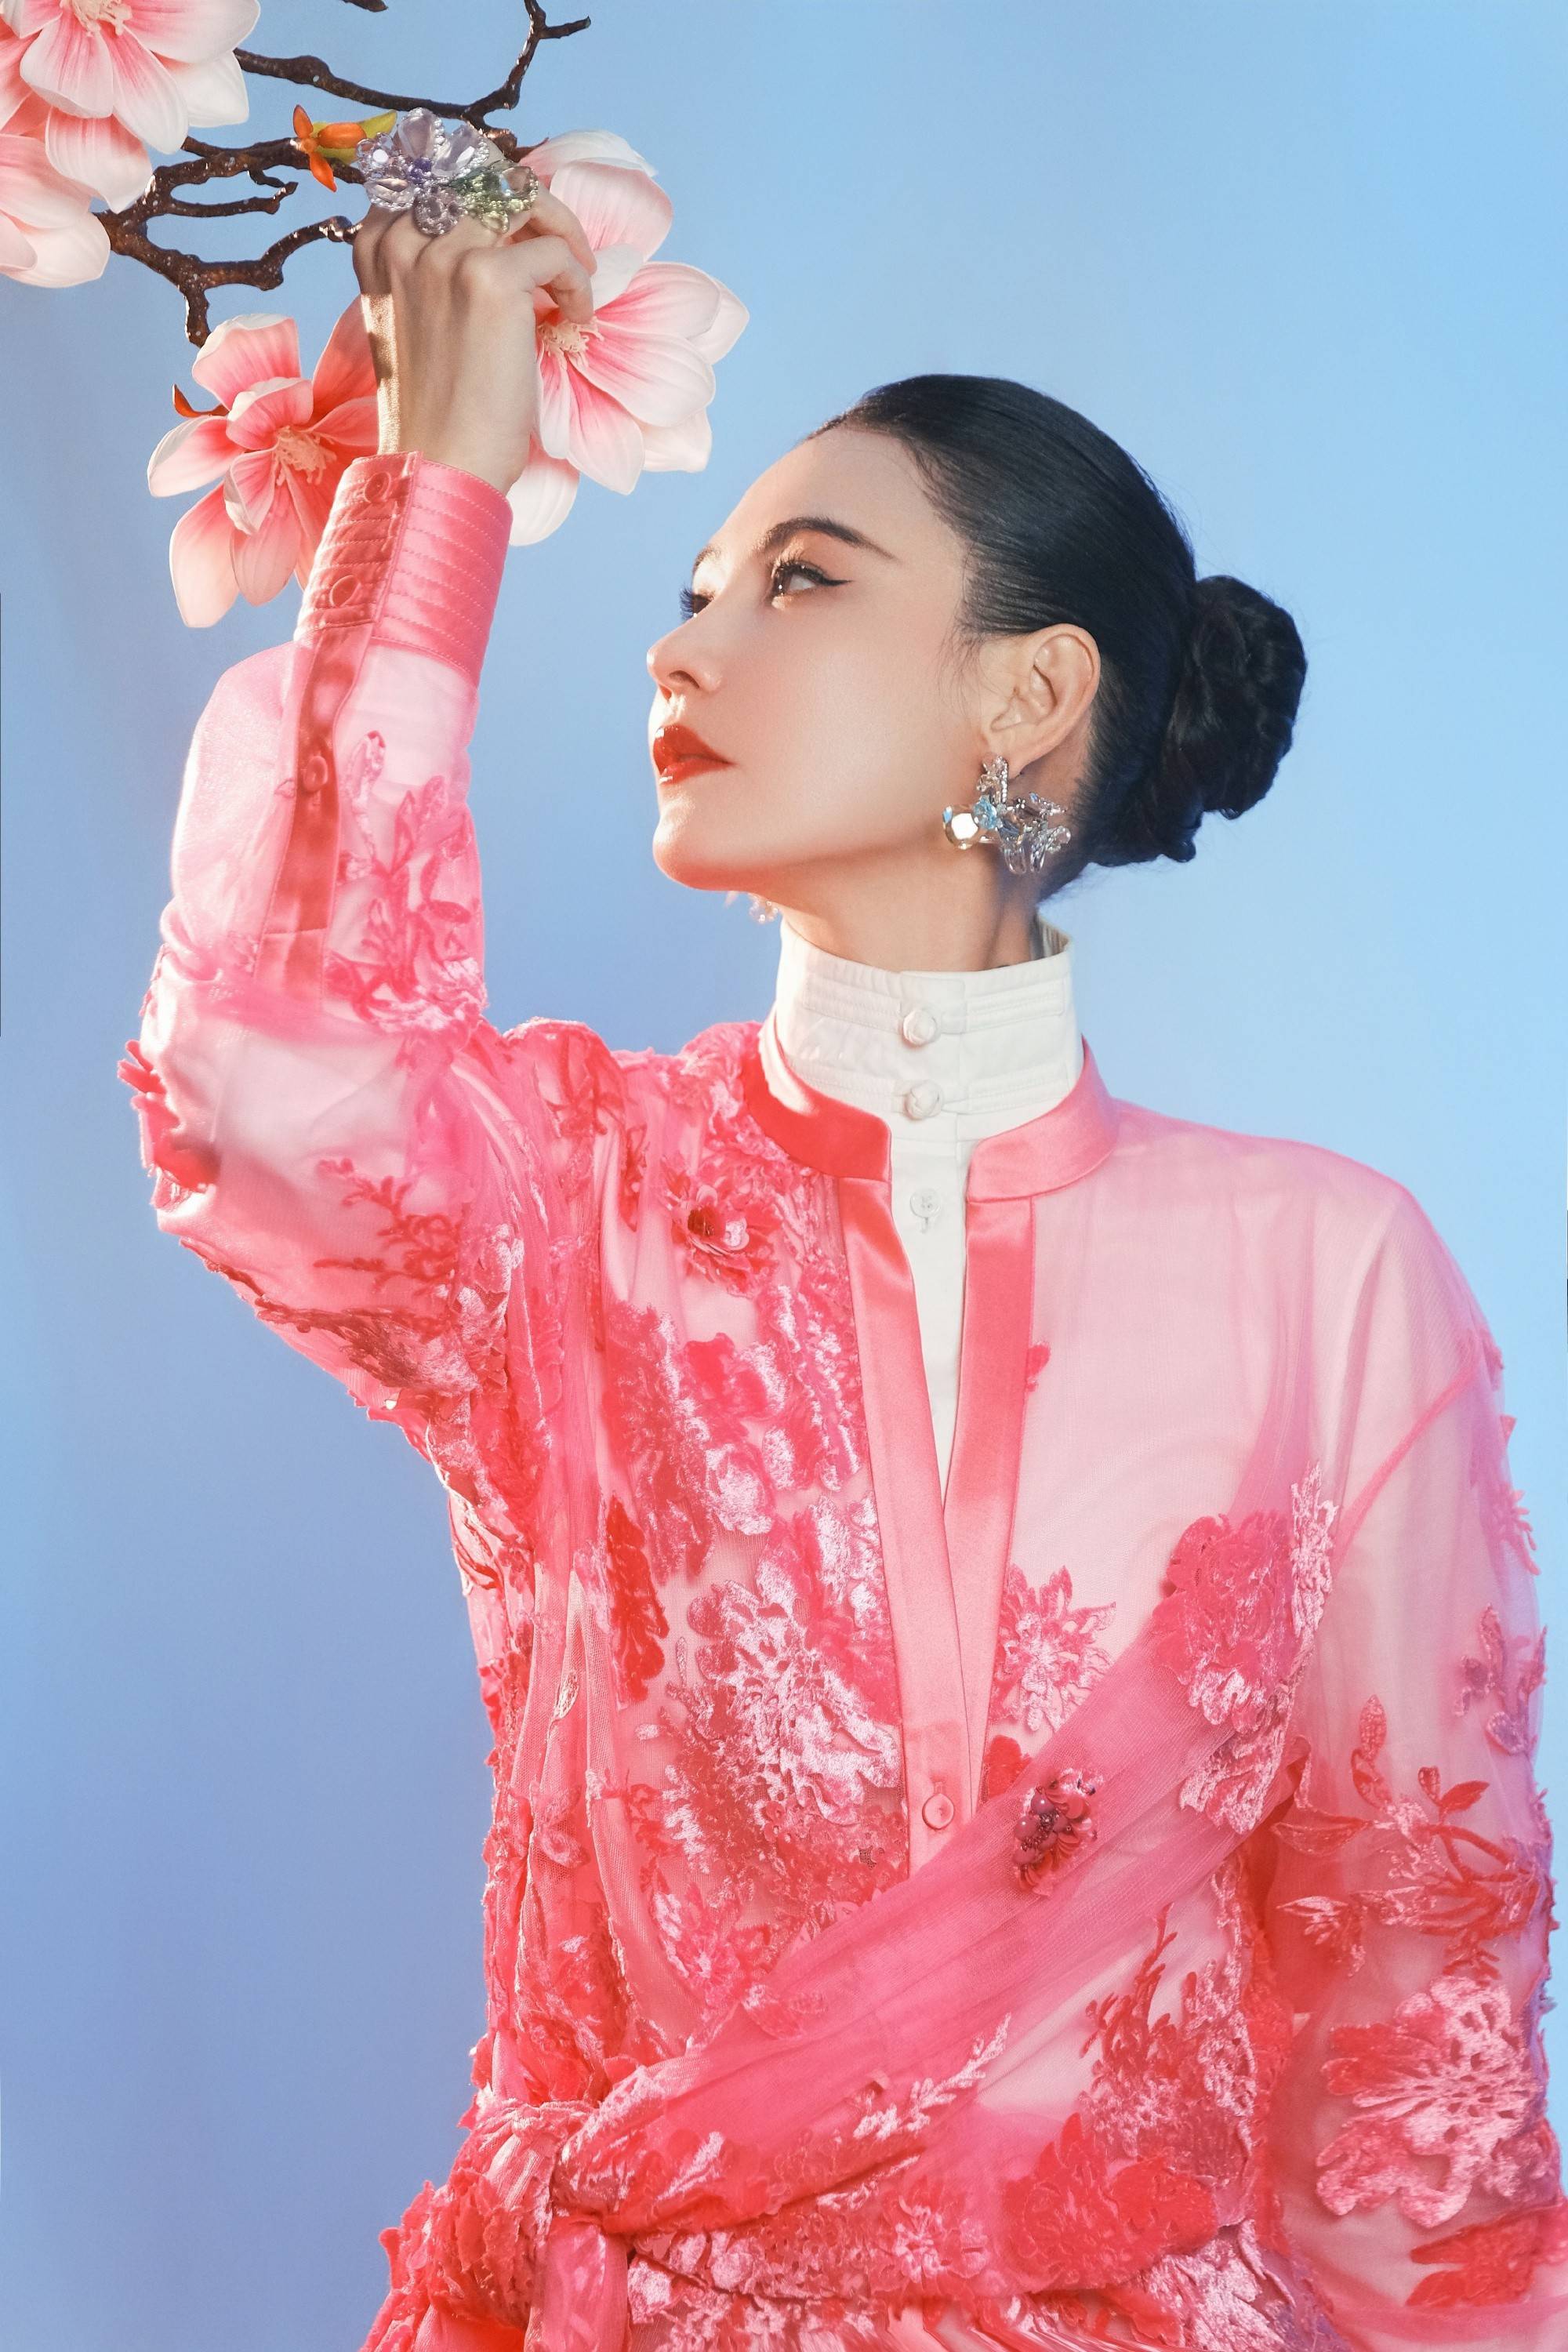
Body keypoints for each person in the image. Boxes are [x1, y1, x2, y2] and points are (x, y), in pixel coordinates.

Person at [120, 153, 1567, 2352]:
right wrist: (436, 490)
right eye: (696, 586)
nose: (684, 643)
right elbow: (268, 1083)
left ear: (1030, 692)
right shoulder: (573, 1196)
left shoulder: (1325, 1278)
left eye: (799, 581)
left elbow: (1418, 2006)